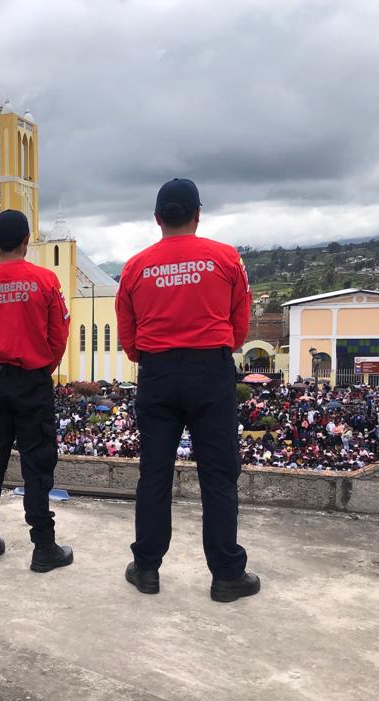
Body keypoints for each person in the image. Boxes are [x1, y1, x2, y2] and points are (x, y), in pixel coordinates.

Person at [115, 178, 259, 602]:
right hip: (210, 372)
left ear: (158, 218)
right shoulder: (226, 258)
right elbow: (239, 327)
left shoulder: (135, 267)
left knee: (154, 475)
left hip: (157, 374)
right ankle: (227, 574)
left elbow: (129, 340)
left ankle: (146, 569)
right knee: (218, 476)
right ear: (198, 215)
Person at [0, 209, 73, 572]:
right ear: (27, 240)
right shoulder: (45, 280)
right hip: (33, 381)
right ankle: (43, 547)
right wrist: (43, 366)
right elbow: (59, 334)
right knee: (37, 464)